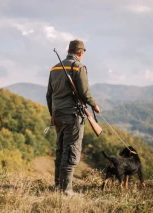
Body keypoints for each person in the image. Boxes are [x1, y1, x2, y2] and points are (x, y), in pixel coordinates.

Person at [46, 39, 100, 196]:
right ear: (80, 52)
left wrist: (52, 114)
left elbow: (49, 95)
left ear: (69, 50)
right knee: (71, 151)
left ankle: (58, 187)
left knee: (61, 149)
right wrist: (94, 105)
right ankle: (66, 191)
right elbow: (84, 92)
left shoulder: (54, 68)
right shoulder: (79, 67)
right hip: (72, 115)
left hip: (57, 114)